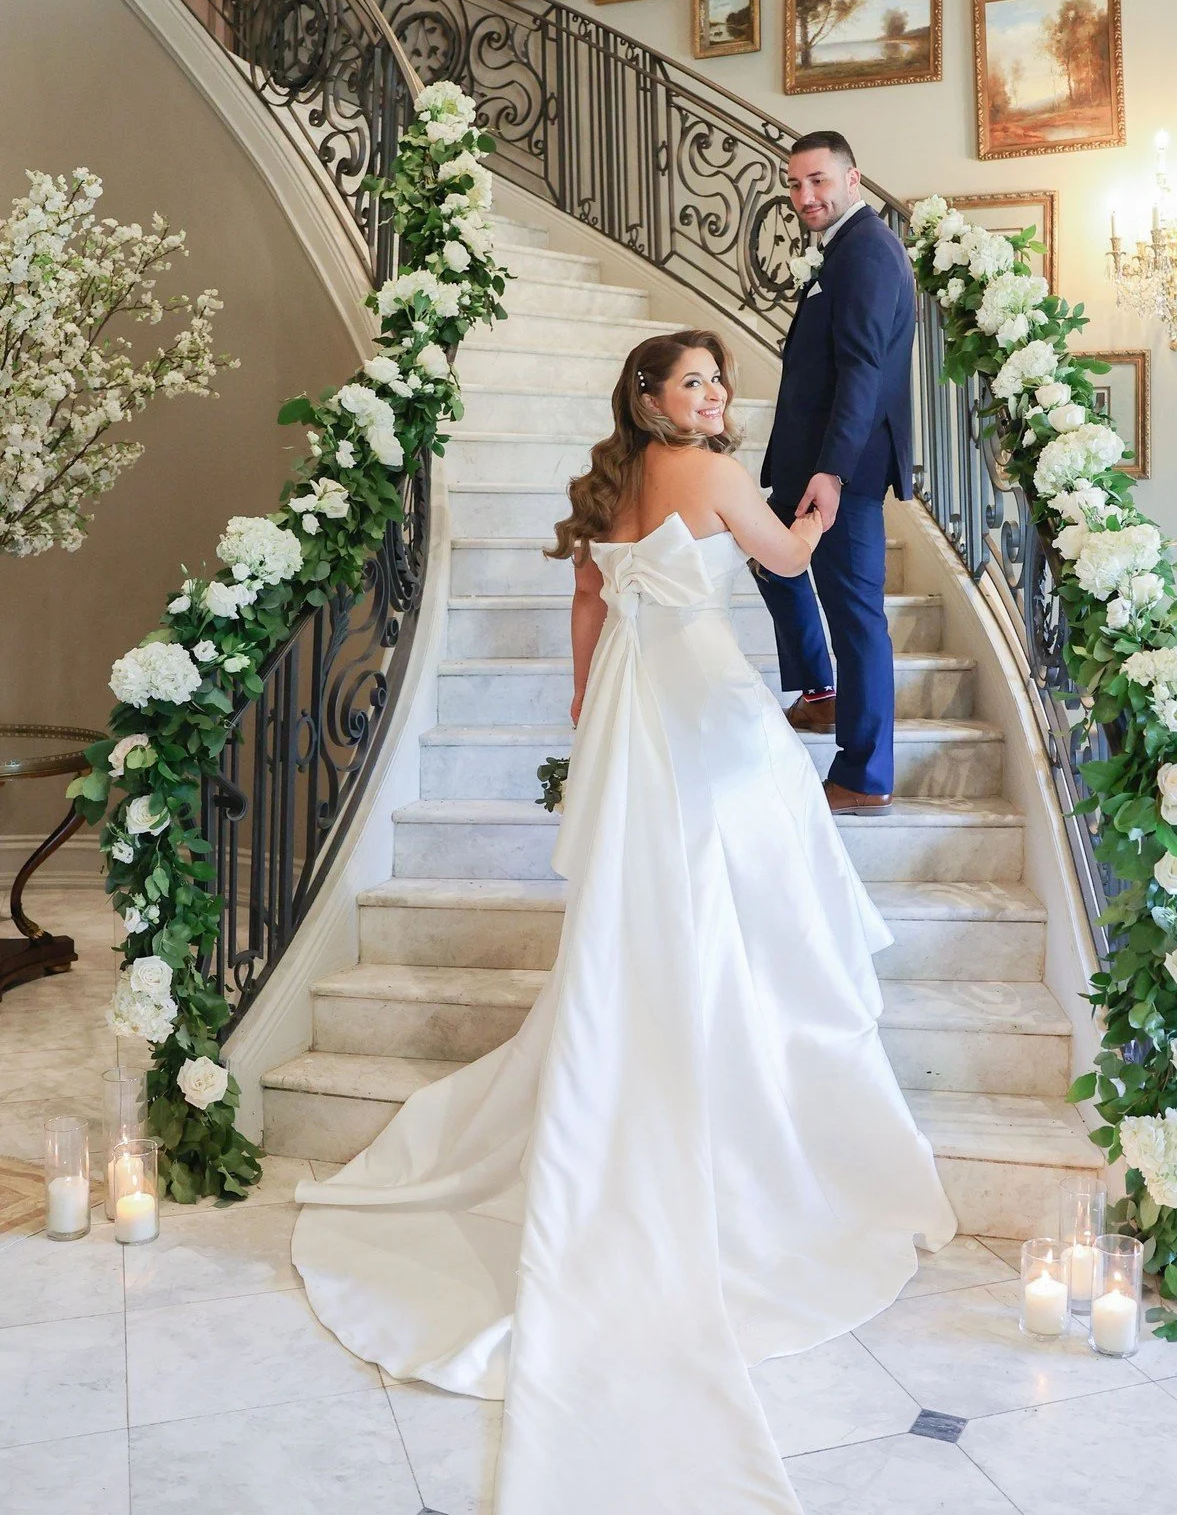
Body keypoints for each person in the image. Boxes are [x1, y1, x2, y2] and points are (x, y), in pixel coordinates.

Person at [290, 328, 955, 1515]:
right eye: (691, 381)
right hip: (705, 705)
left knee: (665, 898)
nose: (711, 394)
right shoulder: (706, 472)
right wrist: (819, 497)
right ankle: (745, 1069)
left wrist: (592, 719)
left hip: (644, 708)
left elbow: (588, 621)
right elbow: (793, 565)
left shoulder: (608, 486)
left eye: (714, 381)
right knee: (751, 894)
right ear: (648, 397)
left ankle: (689, 1031)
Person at [759, 130, 917, 814]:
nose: (805, 196)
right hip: (813, 460)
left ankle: (865, 772)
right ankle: (819, 689)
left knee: (856, 616)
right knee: (772, 561)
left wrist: (831, 473)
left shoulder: (867, 254)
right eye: (795, 184)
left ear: (853, 180)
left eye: (818, 181)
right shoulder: (845, 249)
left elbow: (862, 374)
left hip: (840, 468)